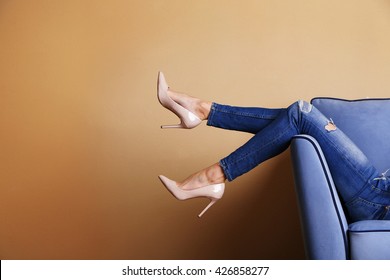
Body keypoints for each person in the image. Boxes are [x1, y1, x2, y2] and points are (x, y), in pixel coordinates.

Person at [156, 72, 390, 221]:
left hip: (378, 200)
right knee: (297, 117)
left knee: (300, 113)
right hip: (377, 187)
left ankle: (213, 168)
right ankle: (203, 113)